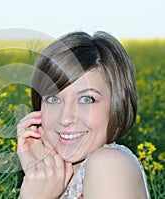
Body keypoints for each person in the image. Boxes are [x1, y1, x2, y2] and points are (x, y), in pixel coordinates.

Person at [17, 31, 150, 199]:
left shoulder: (109, 165)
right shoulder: (54, 181)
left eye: (86, 99)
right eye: (52, 99)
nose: (65, 118)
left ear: (117, 104)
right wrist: (39, 175)